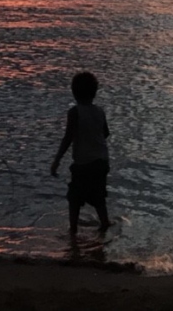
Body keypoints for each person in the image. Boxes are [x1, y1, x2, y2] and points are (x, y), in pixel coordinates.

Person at [50, 71, 111, 235]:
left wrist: (57, 160)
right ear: (95, 92)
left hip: (84, 163)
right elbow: (105, 133)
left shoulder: (74, 112)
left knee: (74, 197)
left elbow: (67, 138)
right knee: (99, 197)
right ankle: (105, 223)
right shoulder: (100, 111)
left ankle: (73, 230)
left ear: (74, 92)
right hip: (102, 161)